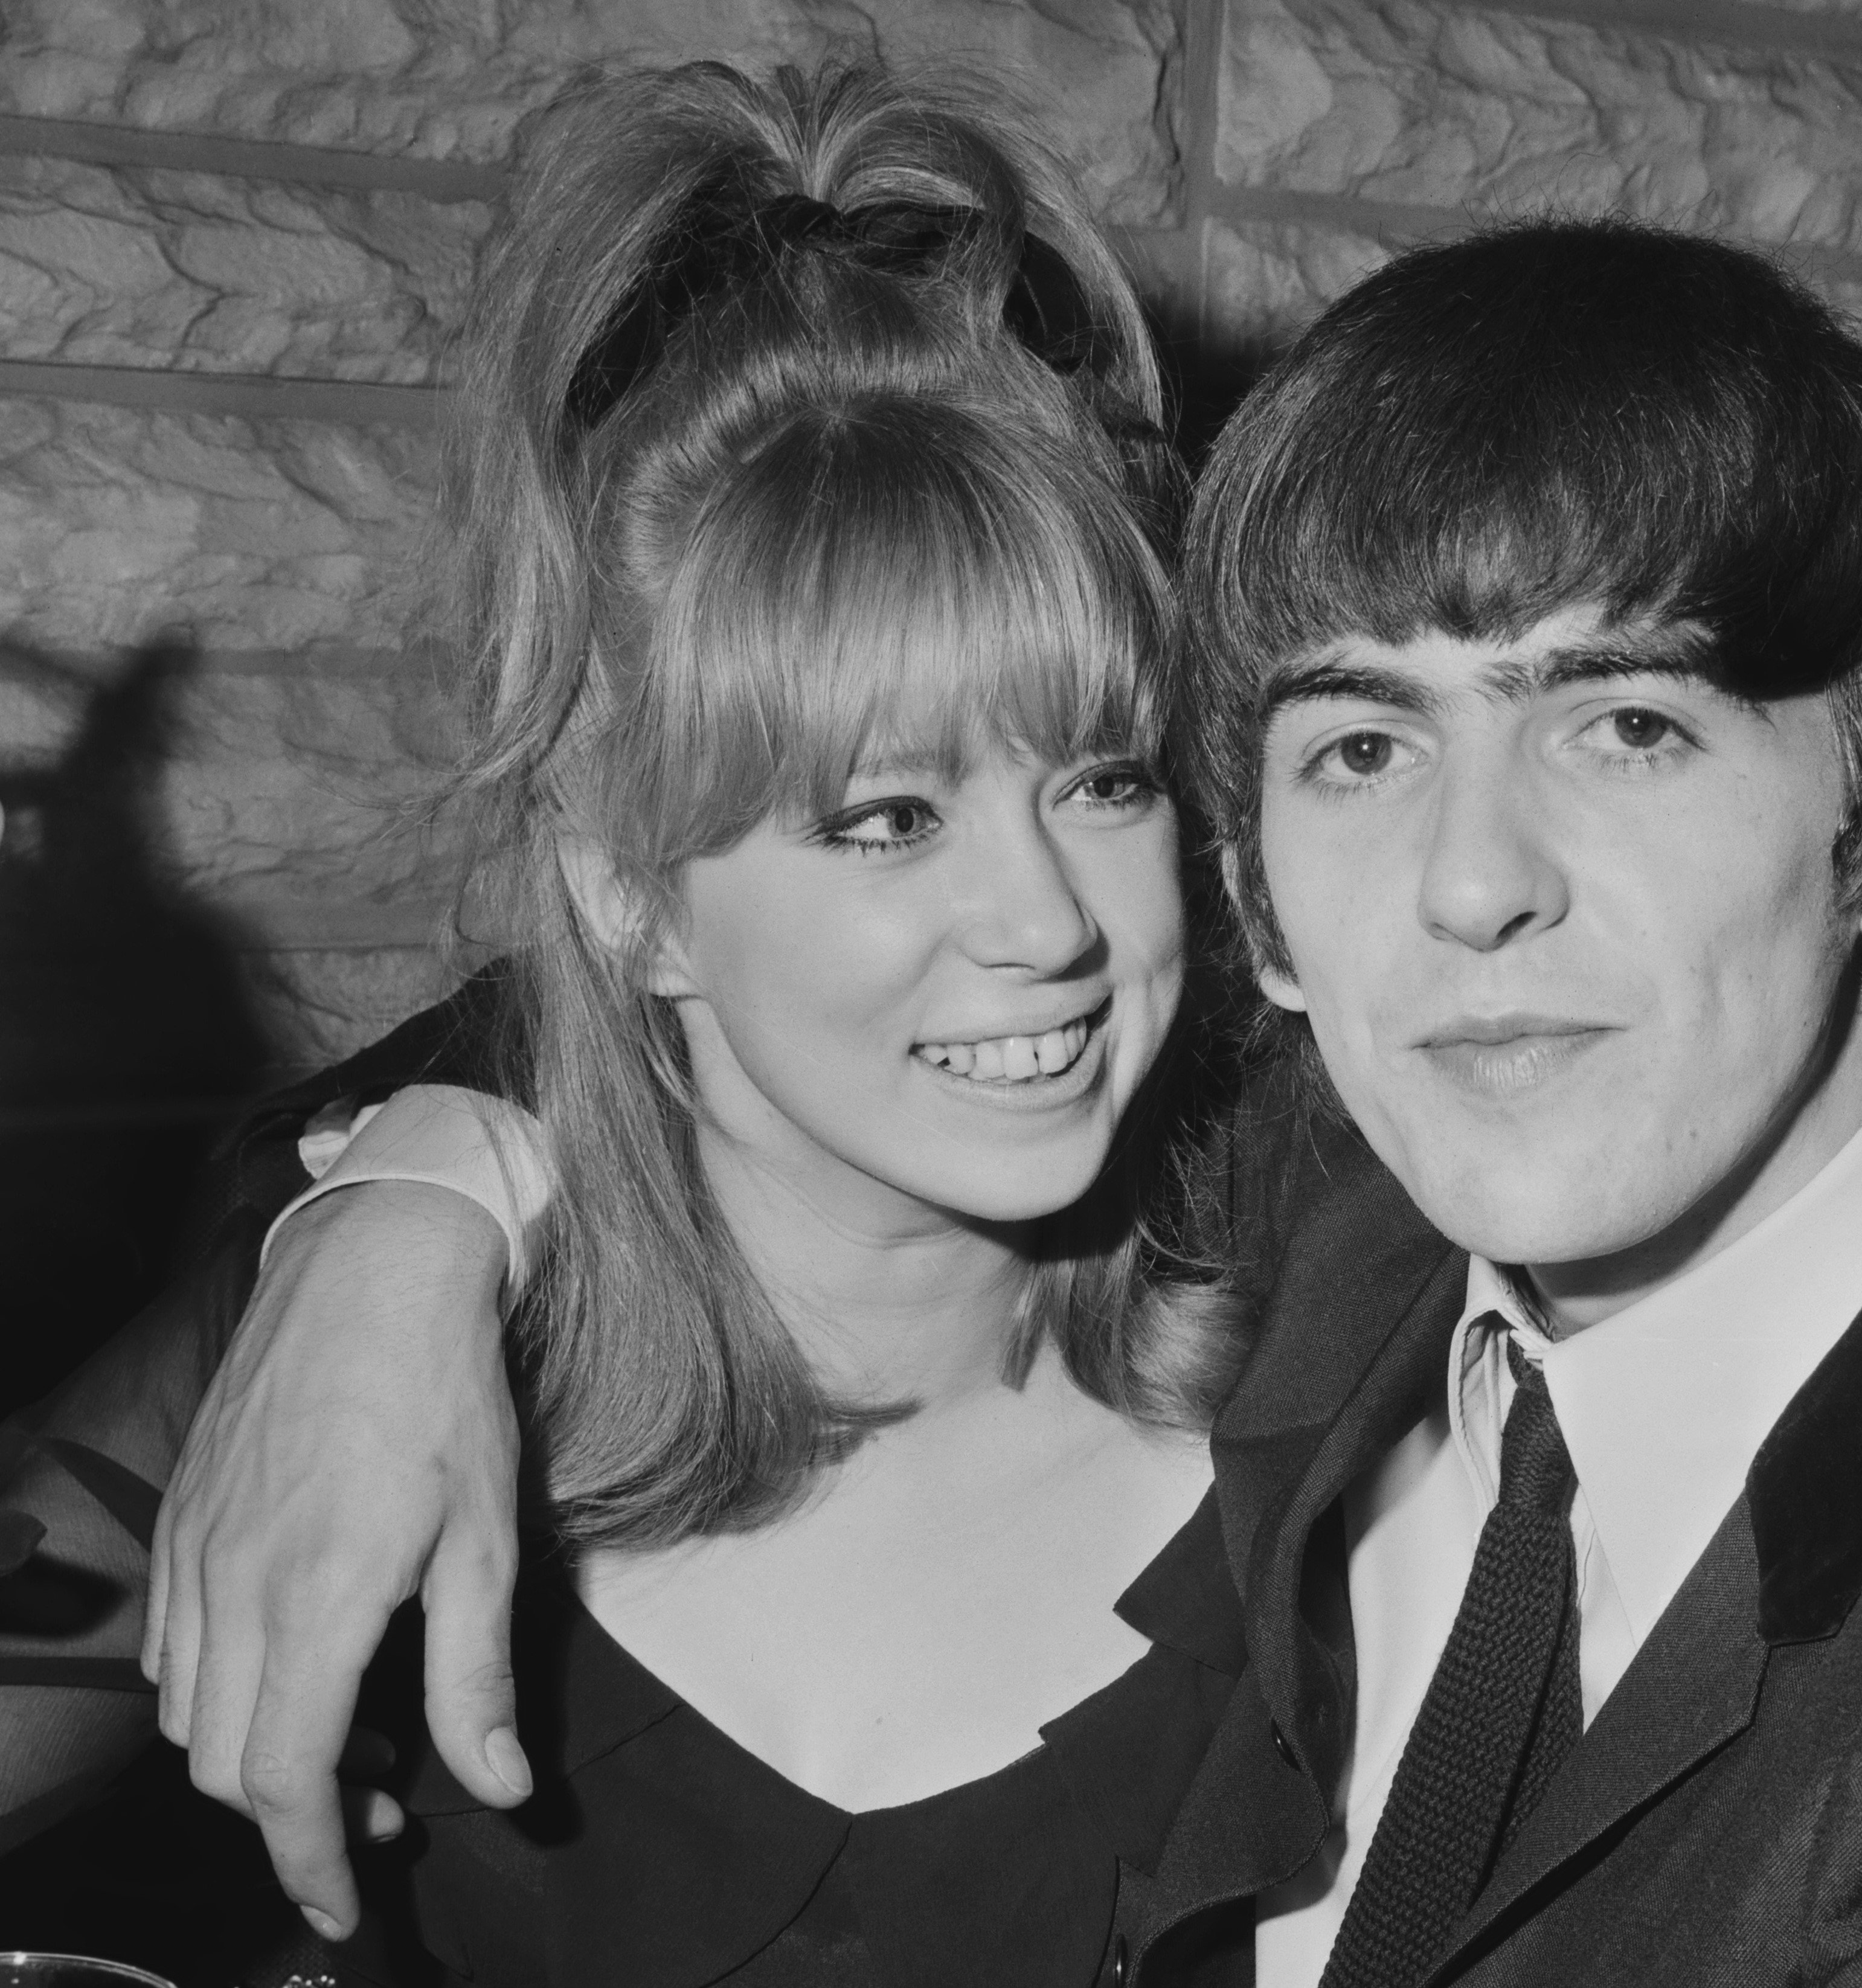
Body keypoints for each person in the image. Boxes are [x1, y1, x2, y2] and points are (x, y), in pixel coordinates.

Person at [138, 223, 1862, 1983]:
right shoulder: (1360, 1161)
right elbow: (666, 1037)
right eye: (1359, 743)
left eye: (1626, 723)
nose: (1464, 882)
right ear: (1263, 893)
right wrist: (392, 1219)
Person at [0, 56, 1273, 1986]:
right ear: (630, 890)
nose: (1049, 923)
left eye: (1101, 778)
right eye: (886, 815)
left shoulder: (1350, 1362)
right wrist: (378, 1205)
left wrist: (397, 1187)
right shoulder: (380, 1388)